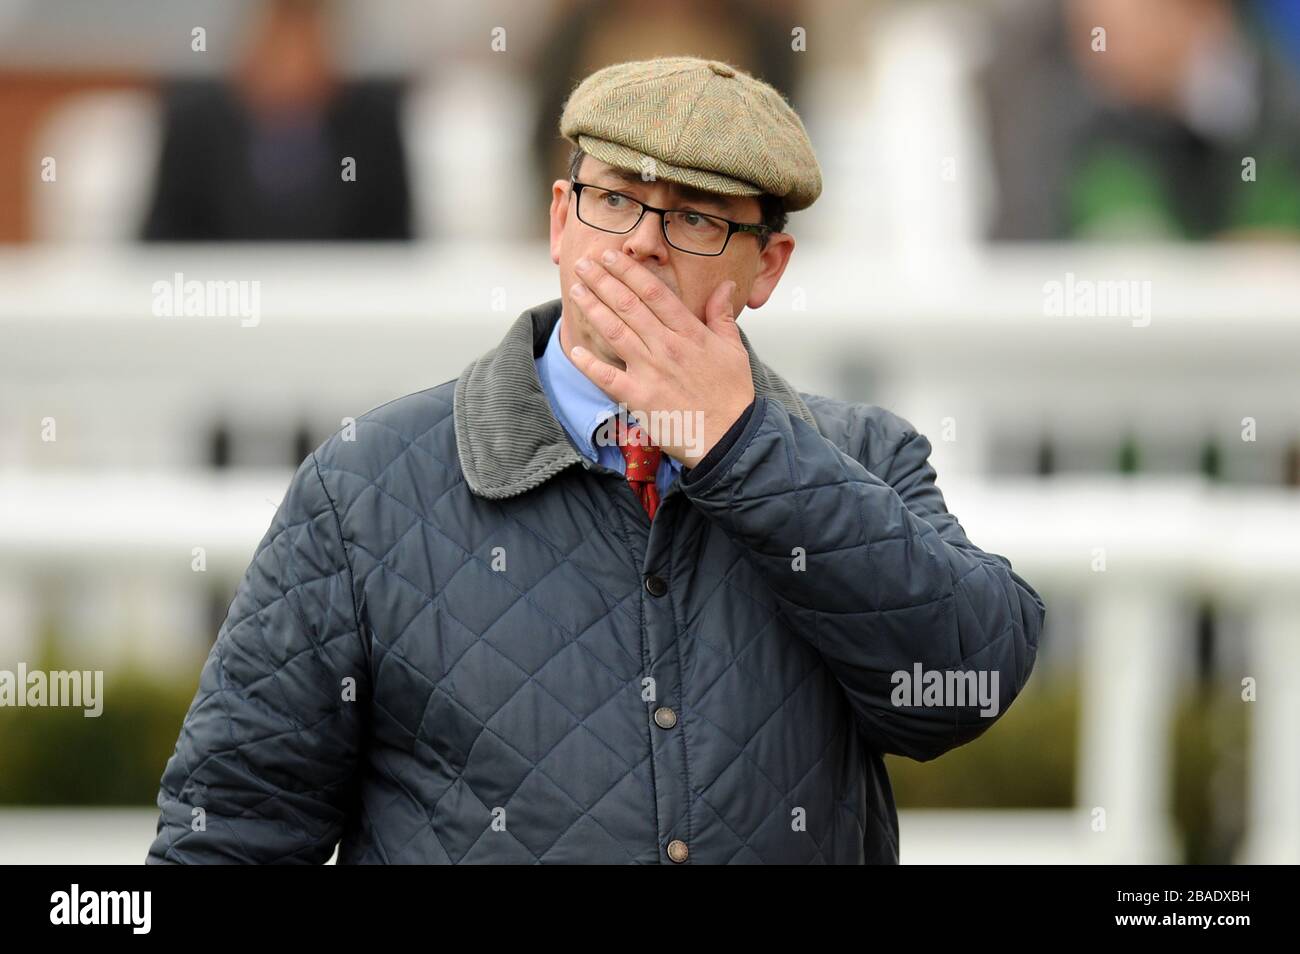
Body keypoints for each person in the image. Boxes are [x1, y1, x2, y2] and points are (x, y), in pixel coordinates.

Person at [147, 56, 1045, 865]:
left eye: (695, 217)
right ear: (559, 220)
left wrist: (745, 450)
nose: (643, 244)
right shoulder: (363, 487)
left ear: (768, 268)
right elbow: (230, 833)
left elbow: (964, 689)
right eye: (615, 198)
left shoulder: (862, 455)